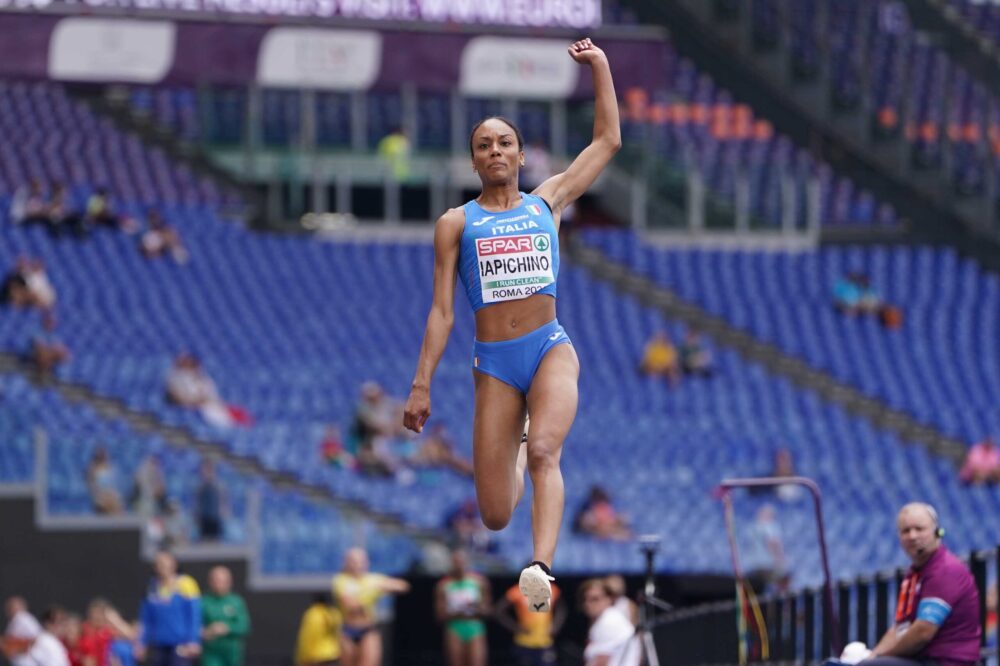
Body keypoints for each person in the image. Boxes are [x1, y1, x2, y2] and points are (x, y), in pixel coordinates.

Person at [403, 37, 621, 614]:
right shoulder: (456, 223)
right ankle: (520, 446)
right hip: (494, 364)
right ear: (473, 161)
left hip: (548, 347)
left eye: (505, 142)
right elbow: (442, 311)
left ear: (521, 156)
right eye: (484, 144)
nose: (495, 150)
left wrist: (599, 66)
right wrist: (422, 383)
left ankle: (542, 568)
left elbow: (607, 141)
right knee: (496, 512)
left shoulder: (547, 203)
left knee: (549, 448)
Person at [866, 503, 981, 666]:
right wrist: (873, 655)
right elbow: (900, 627)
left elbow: (923, 632)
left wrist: (879, 658)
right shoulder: (914, 574)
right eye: (906, 531)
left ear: (937, 532)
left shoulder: (945, 570)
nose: (912, 536)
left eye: (919, 529)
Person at [331, 548, 410, 666]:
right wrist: (370, 592)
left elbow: (403, 586)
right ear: (346, 563)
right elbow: (350, 604)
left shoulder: (373, 579)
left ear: (367, 563)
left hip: (368, 629)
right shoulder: (341, 580)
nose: (357, 565)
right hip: (348, 630)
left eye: (360, 561)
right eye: (353, 561)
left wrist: (383, 586)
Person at [138, 550, 202, 666]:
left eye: (165, 563)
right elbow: (146, 619)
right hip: (158, 645)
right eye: (158, 563)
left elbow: (194, 615)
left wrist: (193, 640)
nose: (161, 566)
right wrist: (141, 642)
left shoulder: (186, 584)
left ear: (174, 564)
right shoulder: (151, 587)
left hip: (180, 645)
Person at [165, 354, 253, 429]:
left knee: (240, 415)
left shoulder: (204, 378)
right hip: (197, 410)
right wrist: (194, 401)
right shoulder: (176, 378)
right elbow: (175, 397)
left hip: (211, 406)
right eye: (186, 363)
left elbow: (209, 394)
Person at [435, 549, 491, 666]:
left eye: (461, 562)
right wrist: (457, 611)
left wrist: (476, 607)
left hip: (475, 627)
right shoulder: (443, 585)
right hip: (454, 627)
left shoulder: (479, 582)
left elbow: (488, 610)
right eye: (456, 562)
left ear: (467, 562)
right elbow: (439, 615)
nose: (459, 565)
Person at [494, 579, 566, 666]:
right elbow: (499, 611)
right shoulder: (517, 590)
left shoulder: (551, 589)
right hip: (524, 641)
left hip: (545, 641)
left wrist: (556, 625)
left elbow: (562, 609)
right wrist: (515, 627)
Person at [579, 578, 639, 666]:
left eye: (595, 599)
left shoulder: (609, 621)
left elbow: (601, 662)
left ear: (609, 599)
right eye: (585, 599)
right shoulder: (605, 619)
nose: (588, 604)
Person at [201, 566, 250, 666]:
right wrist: (205, 631)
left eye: (222, 581)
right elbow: (195, 624)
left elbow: (244, 626)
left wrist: (226, 628)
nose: (218, 584)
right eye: (215, 580)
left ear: (229, 582)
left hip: (232, 652)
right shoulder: (203, 601)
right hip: (211, 652)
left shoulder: (236, 601)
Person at [743, 504, 790, 594]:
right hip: (768, 565)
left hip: (753, 566)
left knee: (758, 588)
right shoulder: (769, 526)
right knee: (784, 578)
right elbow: (773, 543)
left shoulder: (752, 527)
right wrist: (780, 559)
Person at [294, 593, 341, 666]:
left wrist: (302, 658)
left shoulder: (313, 614)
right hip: (334, 654)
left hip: (316, 656)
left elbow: (307, 637)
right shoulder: (334, 613)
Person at [30, 312, 71, 377]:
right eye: (49, 321)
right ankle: (41, 374)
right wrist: (53, 350)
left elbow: (61, 349)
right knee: (43, 353)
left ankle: (51, 374)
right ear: (45, 321)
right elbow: (39, 346)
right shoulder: (37, 331)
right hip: (34, 355)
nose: (51, 324)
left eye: (53, 322)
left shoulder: (54, 336)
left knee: (64, 355)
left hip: (49, 355)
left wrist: (56, 351)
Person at [86, 446, 123, 515]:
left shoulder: (111, 467)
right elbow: (92, 487)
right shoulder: (92, 469)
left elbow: (114, 484)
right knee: (104, 501)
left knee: (116, 500)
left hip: (110, 494)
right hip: (100, 496)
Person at [195, 460, 226, 541]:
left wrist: (222, 511)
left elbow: (222, 501)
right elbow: (198, 503)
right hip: (204, 520)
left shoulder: (218, 486)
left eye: (205, 470)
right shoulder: (200, 487)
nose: (203, 472)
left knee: (215, 542)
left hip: (215, 519)